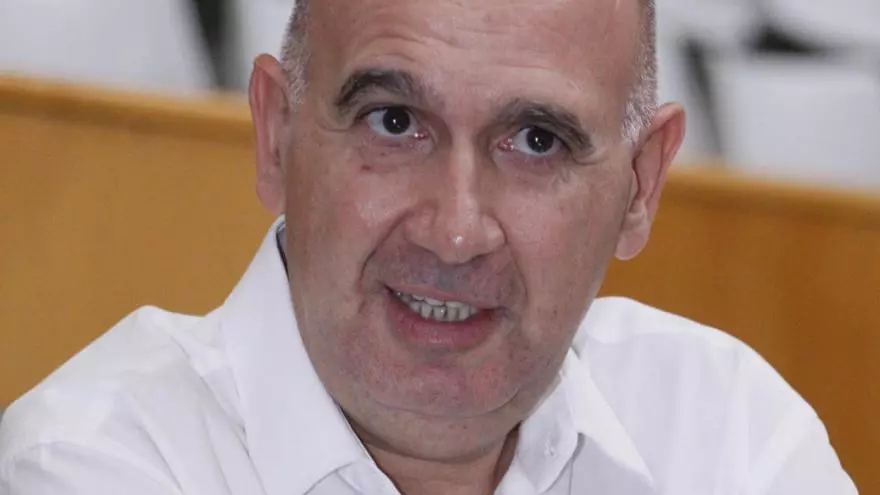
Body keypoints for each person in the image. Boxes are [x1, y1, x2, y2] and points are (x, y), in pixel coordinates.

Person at [0, 0, 857, 493]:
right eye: (394, 121)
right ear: (276, 134)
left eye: (537, 141)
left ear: (641, 184)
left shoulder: (728, 439)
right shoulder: (94, 462)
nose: (455, 230)